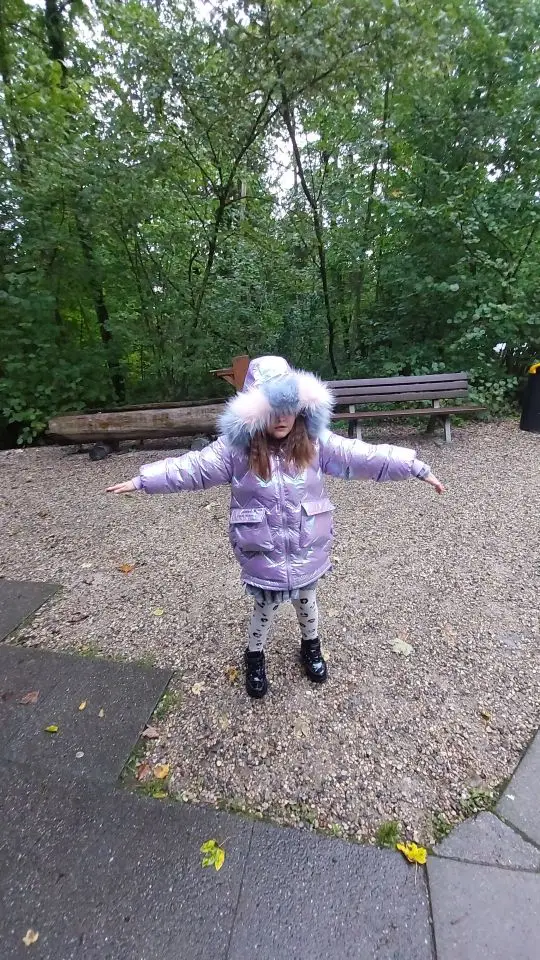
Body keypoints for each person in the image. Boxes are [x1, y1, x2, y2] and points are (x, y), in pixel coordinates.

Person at [107, 356, 444, 698]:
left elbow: (363, 455)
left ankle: (311, 646)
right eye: (272, 409)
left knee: (307, 602)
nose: (282, 417)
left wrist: (414, 466)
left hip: (306, 545)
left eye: (288, 408)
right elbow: (191, 468)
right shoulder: (235, 450)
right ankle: (255, 656)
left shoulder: (315, 442)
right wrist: (143, 480)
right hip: (263, 548)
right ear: (254, 412)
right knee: (264, 608)